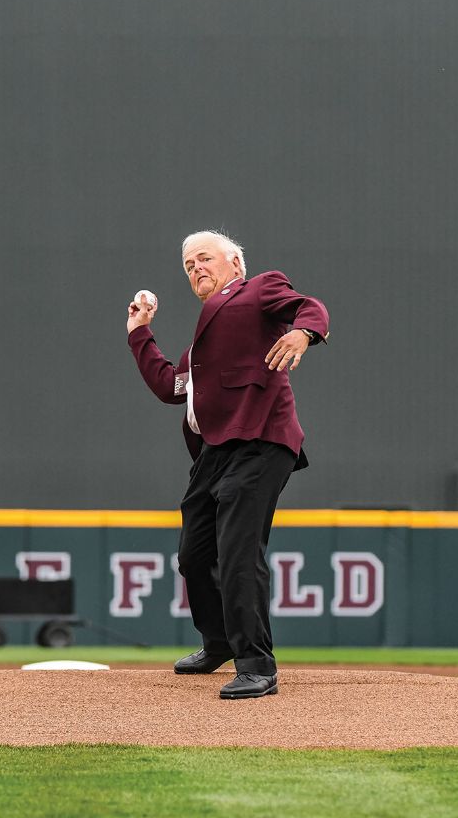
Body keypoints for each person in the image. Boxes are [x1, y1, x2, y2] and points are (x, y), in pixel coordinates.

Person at [127, 231, 329, 699]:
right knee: (194, 555)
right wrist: (140, 333)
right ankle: (217, 641)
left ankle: (257, 664)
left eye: (204, 258)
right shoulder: (197, 354)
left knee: (238, 550)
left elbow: (309, 307)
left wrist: (303, 332)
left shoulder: (258, 288)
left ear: (234, 262)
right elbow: (168, 388)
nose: (196, 267)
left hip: (260, 440)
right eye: (188, 264)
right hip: (215, 452)